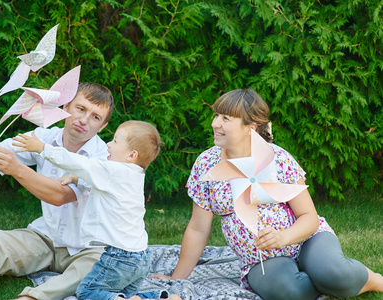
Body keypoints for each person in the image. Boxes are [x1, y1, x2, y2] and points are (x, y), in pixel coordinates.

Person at [152, 89, 383, 300]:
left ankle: (371, 280)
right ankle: (320, 280)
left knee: (335, 274)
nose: (215, 124)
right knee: (290, 293)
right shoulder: (206, 164)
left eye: (225, 119)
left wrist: (283, 238)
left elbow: (309, 218)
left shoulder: (277, 158)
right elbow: (198, 228)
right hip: (262, 259)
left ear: (250, 127)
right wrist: (177, 278)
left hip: (307, 240)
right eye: (216, 116)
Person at [0, 82, 115, 300]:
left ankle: (29, 298)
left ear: (102, 127)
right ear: (65, 107)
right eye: (81, 109)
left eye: (95, 117)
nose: (84, 120)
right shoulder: (43, 138)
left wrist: (17, 170)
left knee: (98, 267)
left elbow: (60, 196)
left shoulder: (103, 157)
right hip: (45, 238)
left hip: (87, 248)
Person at [13, 120, 181, 300]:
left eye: (115, 141)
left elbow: (77, 162)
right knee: (124, 294)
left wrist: (42, 148)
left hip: (119, 257)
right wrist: (78, 180)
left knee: (88, 291)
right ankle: (162, 297)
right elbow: (103, 185)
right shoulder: (135, 174)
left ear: (132, 154)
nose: (108, 144)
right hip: (141, 257)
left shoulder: (112, 170)